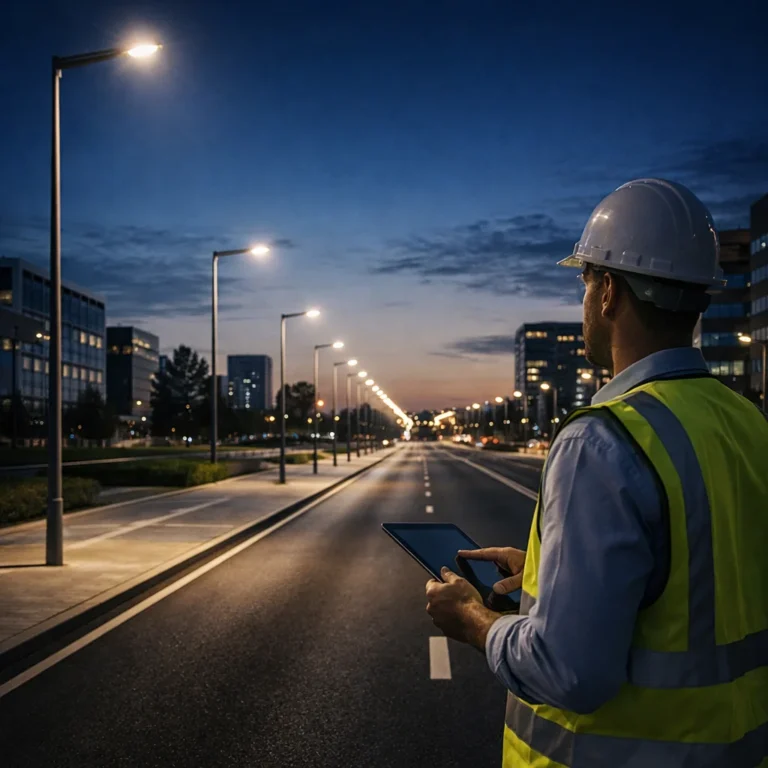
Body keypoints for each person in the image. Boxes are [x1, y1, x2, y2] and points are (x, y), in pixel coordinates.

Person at [426, 178, 768, 767]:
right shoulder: (747, 422)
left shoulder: (602, 440)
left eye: (583, 281)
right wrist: (546, 571)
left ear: (608, 292)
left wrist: (475, 621)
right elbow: (706, 575)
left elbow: (569, 672)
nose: (583, 300)